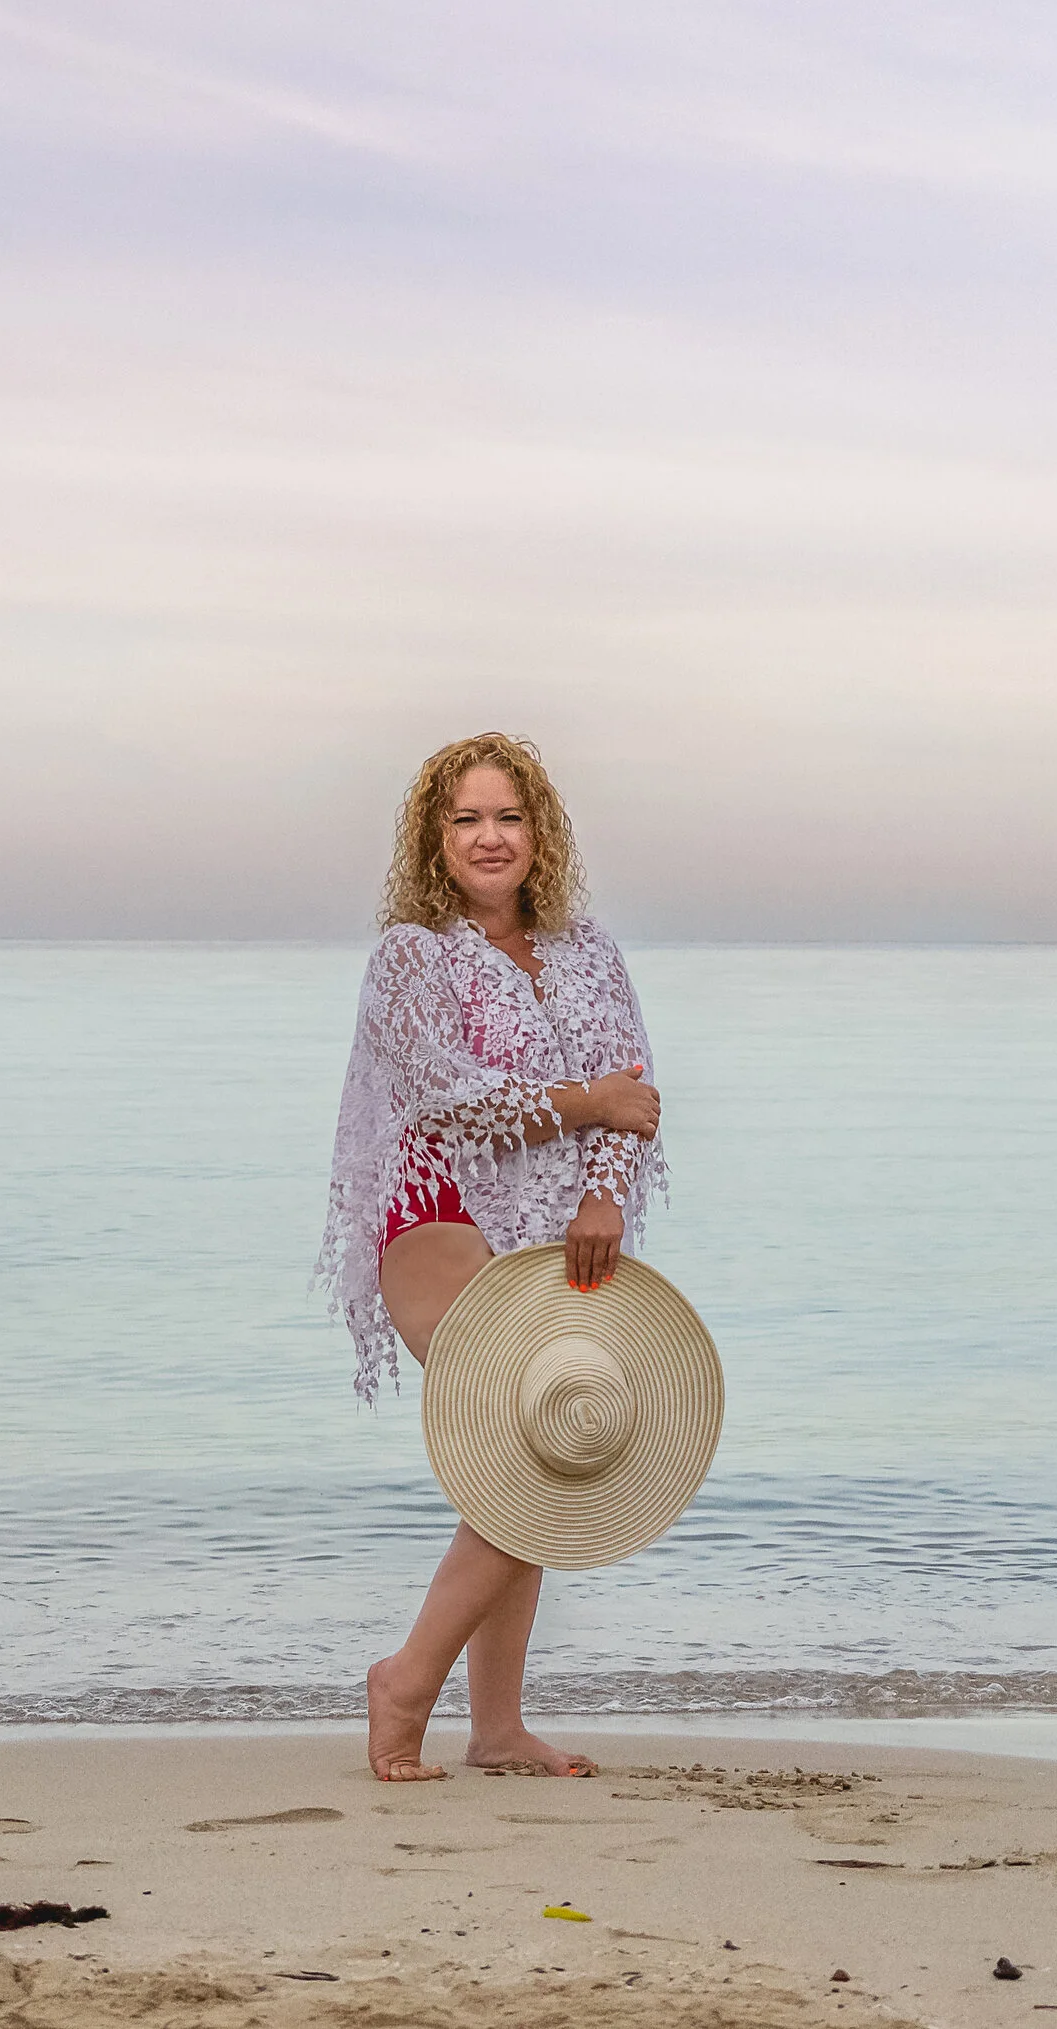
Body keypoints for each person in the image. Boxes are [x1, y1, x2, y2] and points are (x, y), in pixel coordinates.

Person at [316, 732, 666, 1781]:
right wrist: (588, 1101)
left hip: (559, 1226)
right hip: (434, 1209)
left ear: (539, 832)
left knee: (531, 1453)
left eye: (508, 817)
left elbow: (633, 1089)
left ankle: (498, 1728)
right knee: (540, 1443)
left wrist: (604, 1189)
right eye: (465, 818)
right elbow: (446, 1097)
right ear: (434, 838)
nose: (488, 837)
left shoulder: (589, 953)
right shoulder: (411, 957)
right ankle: (408, 1680)